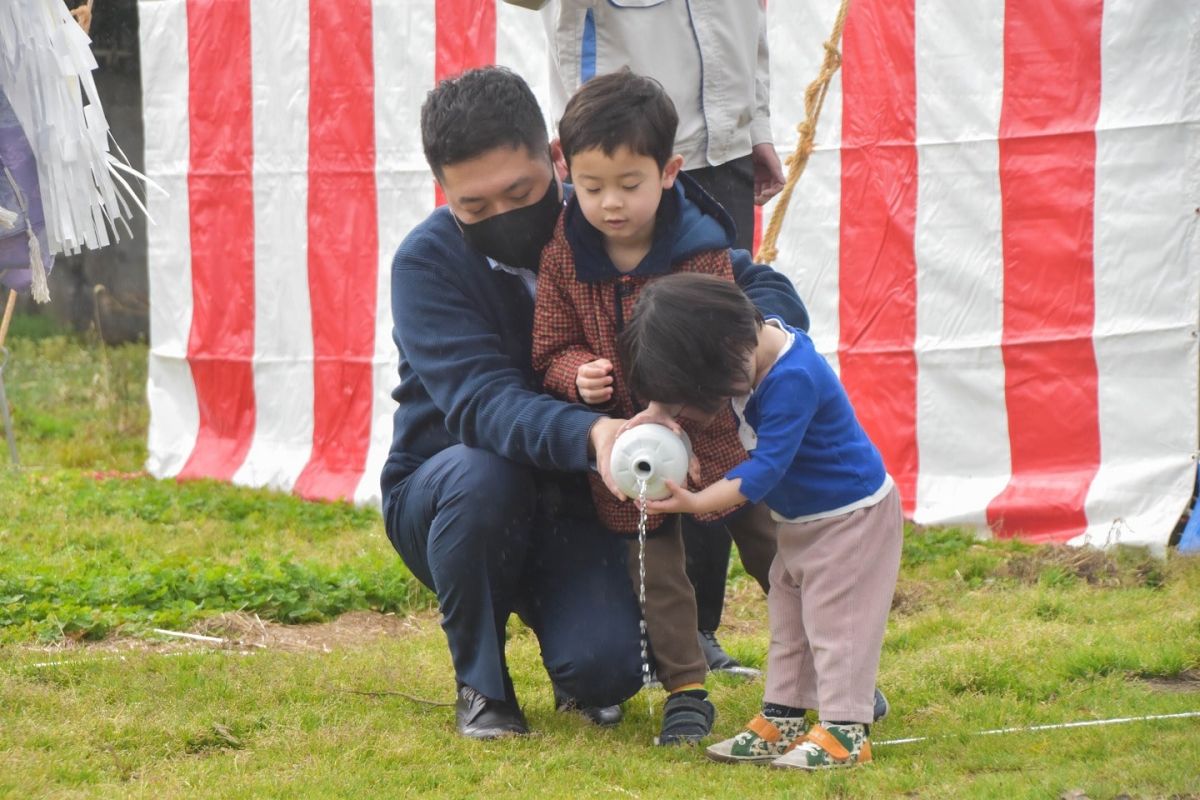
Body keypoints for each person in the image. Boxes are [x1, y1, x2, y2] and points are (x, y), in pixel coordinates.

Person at [380, 66, 809, 740]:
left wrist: (764, 350)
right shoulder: (426, 264)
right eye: (474, 207)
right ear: (444, 193)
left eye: (519, 192)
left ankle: (620, 650)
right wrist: (595, 433)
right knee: (480, 471)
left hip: (579, 502)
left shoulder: (604, 214)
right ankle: (483, 688)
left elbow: (746, 281)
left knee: (607, 669)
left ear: (556, 161)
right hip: (449, 496)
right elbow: (480, 404)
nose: (501, 216)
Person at [509, 0, 787, 671]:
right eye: (595, 188)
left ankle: (804, 646)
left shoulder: (699, 245)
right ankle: (675, 661)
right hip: (617, 122)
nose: (610, 204)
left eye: (625, 189)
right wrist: (575, 370)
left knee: (754, 523)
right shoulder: (566, 248)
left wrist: (752, 121)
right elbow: (550, 344)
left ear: (660, 177)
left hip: (714, 144)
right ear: (565, 169)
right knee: (650, 544)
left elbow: (746, 19)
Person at [619, 274, 903, 769]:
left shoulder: (793, 378)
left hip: (850, 520)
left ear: (731, 348)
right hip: (801, 521)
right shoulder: (748, 346)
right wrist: (659, 410)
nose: (702, 404)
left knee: (839, 626)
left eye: (700, 391)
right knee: (790, 623)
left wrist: (698, 502)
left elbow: (764, 469)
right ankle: (783, 717)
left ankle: (845, 729)